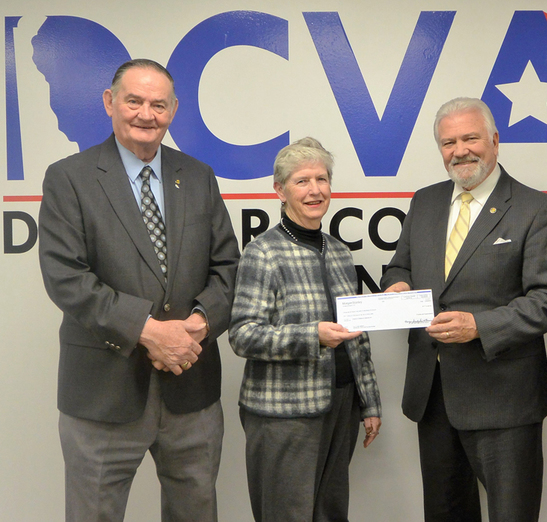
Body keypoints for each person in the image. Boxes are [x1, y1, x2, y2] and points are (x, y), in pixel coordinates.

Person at [38, 59, 240, 522]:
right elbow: (66, 276)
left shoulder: (199, 176)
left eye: (159, 104)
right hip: (103, 395)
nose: (146, 114)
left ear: (173, 111)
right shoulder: (69, 177)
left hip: (192, 388)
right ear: (110, 103)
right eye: (134, 101)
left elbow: (228, 267)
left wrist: (198, 325)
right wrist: (149, 331)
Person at [380, 97, 547, 521]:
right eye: (449, 142)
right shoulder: (425, 202)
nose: (460, 150)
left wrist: (479, 325)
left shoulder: (535, 208)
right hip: (434, 397)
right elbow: (400, 264)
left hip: (504, 399)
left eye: (470, 138)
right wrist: (397, 284)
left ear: (495, 141)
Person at [228, 137, 382, 522]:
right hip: (285, 414)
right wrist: (311, 336)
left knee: (331, 514)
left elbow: (357, 334)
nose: (315, 190)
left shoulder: (340, 251)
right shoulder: (262, 252)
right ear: (279, 190)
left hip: (341, 405)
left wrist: (370, 403)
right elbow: (242, 334)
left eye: (322, 179)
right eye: (302, 181)